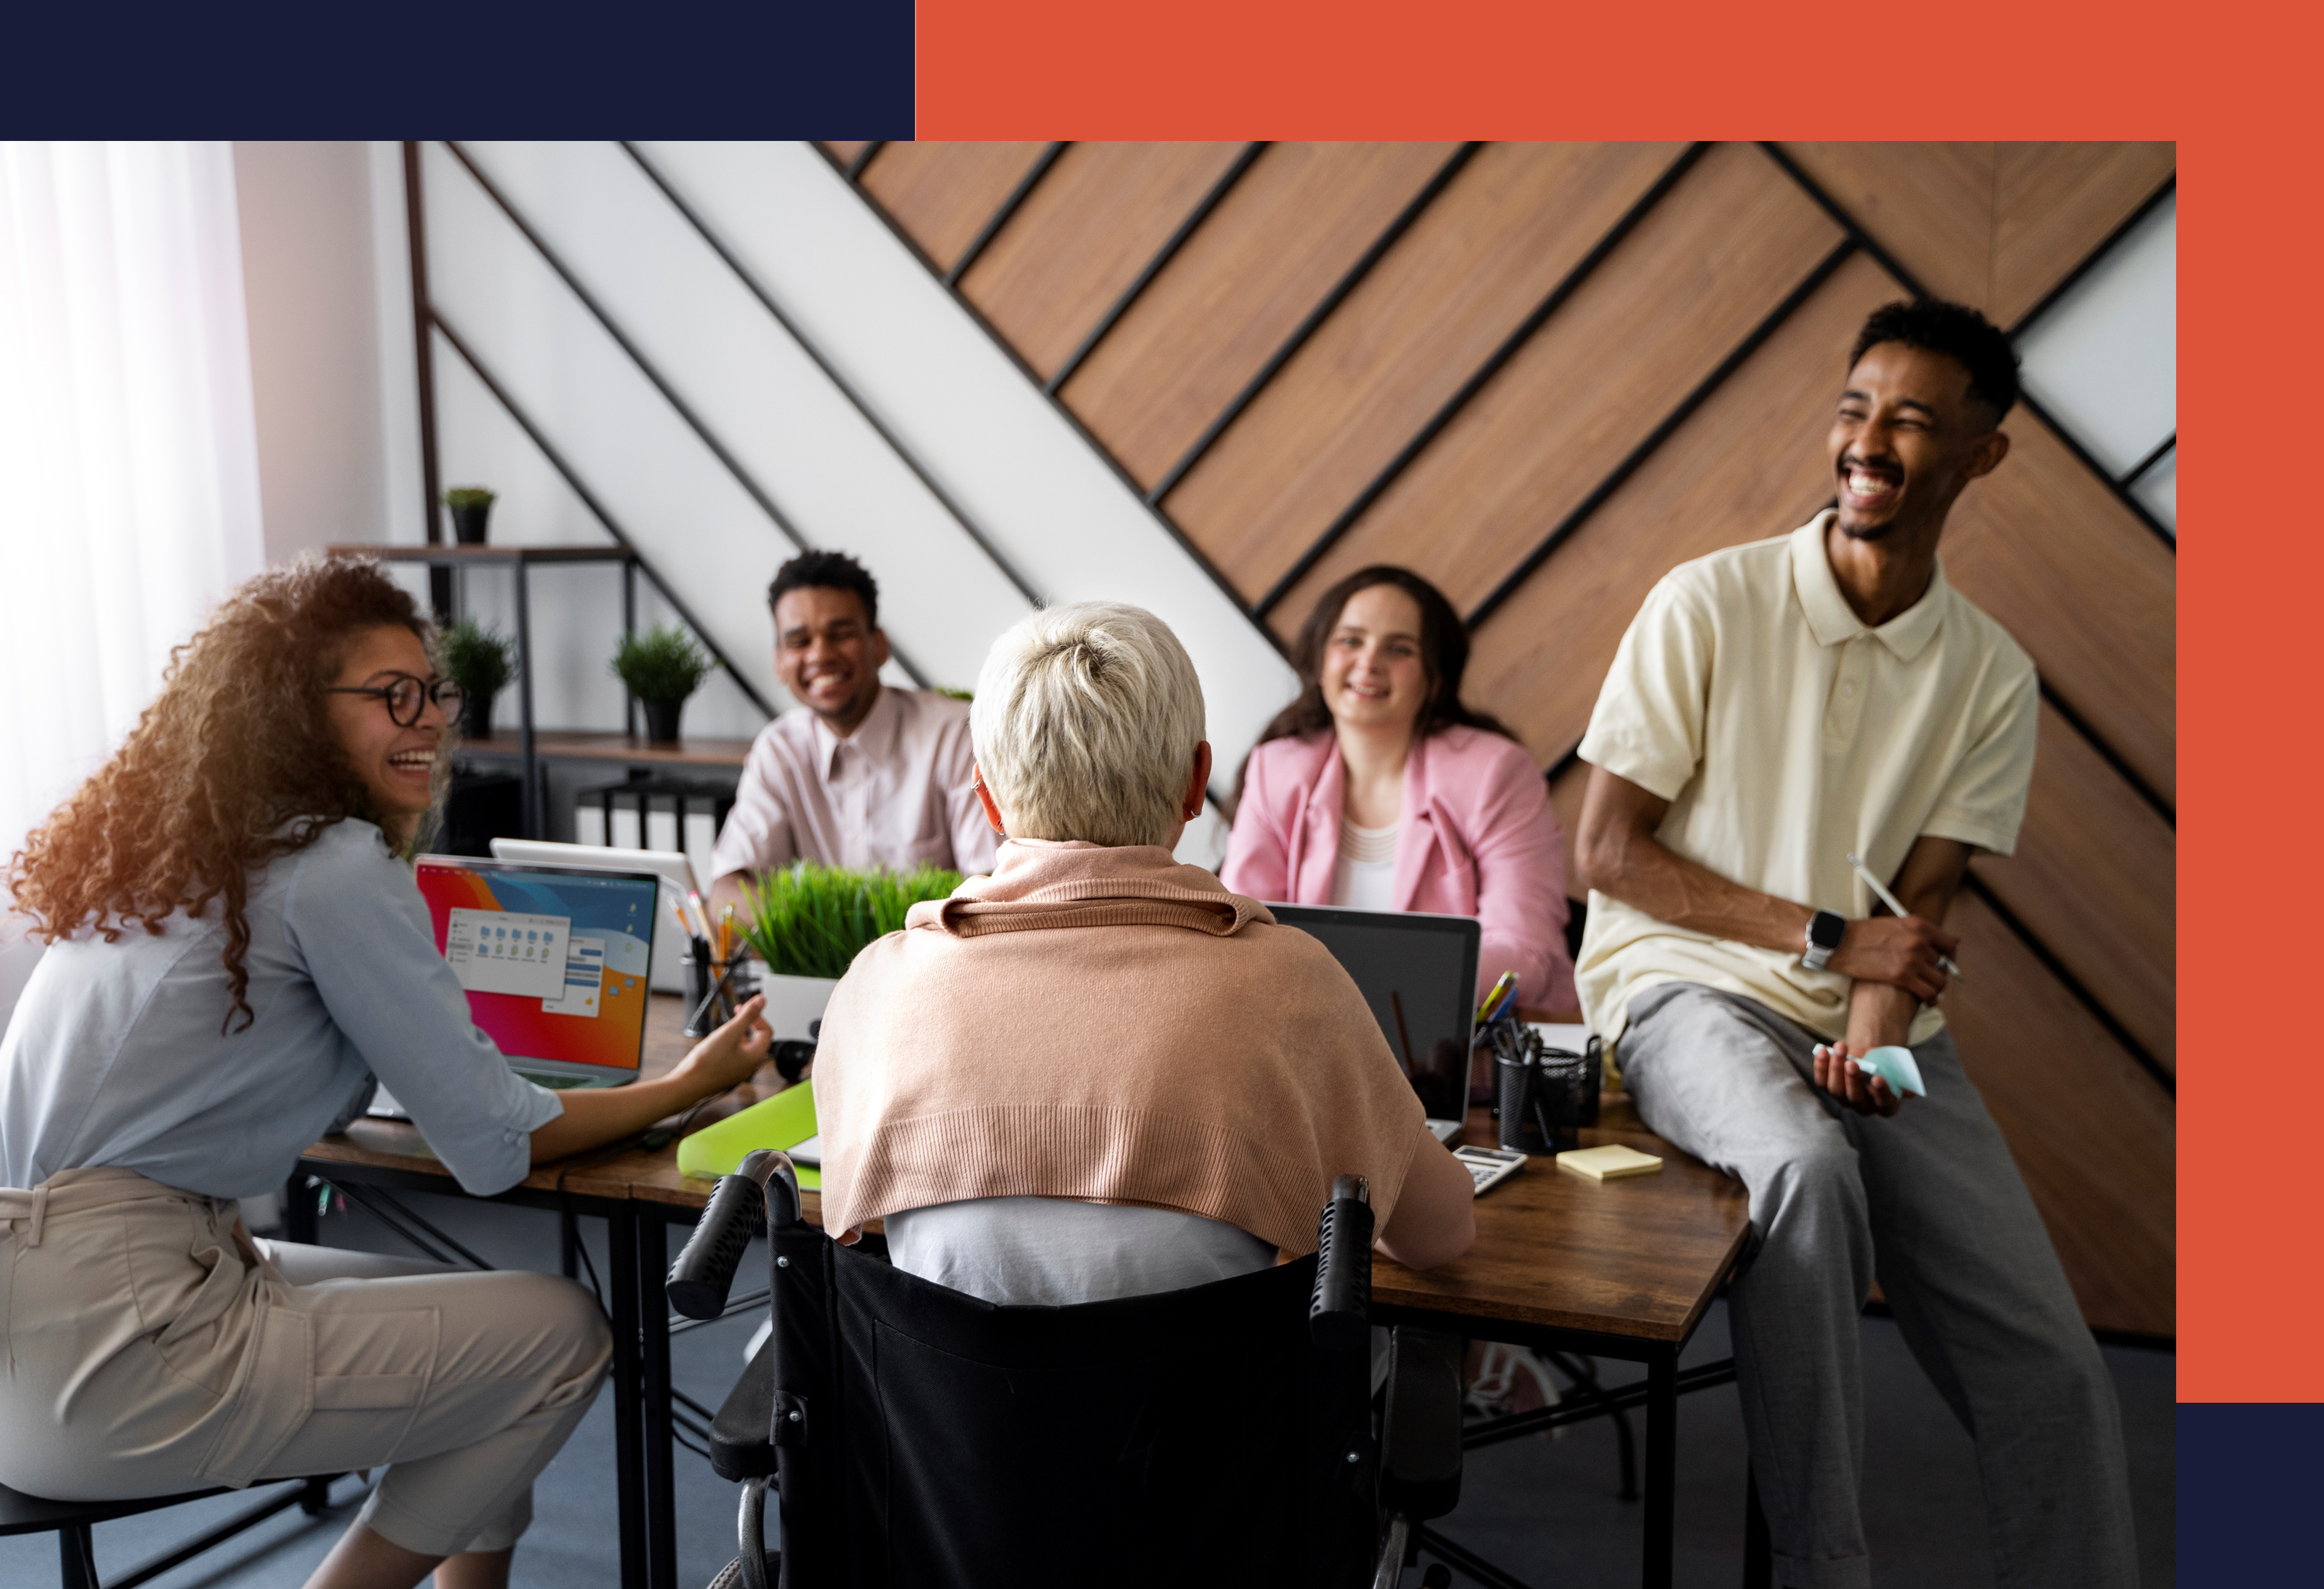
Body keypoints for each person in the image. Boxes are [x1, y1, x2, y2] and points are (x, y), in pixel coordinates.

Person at [0, 557, 774, 1589]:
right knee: (559, 1337)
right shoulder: (331, 869)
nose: (426, 721)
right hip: (124, 1346)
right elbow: (496, 1149)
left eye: (432, 694)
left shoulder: (178, 857)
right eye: (389, 695)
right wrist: (689, 1084)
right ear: (293, 714)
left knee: (476, 1328)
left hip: (39, 1335)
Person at [1571, 301, 2136, 1588]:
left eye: (1911, 419)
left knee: (2050, 1362)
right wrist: (1827, 941)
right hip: (1684, 988)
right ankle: (1828, 1565)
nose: (1867, 440)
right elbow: (1605, 850)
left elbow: (1919, 912)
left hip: (1876, 1021)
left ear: (1981, 456)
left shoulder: (1990, 673)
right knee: (1805, 1173)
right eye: (1854, 406)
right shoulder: (1706, 600)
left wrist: (1873, 1033)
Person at [812, 602, 1476, 1306]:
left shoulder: (876, 989)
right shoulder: (1294, 983)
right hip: (1222, 1417)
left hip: (931, 1416)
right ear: (1197, 782)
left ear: (989, 801)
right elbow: (1442, 1235)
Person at [1222, 566, 1575, 1010]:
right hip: (1308, 1034)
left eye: (1399, 649)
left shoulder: (1494, 772)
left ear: (1435, 676)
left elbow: (1526, 950)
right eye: (1350, 640)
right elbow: (1242, 930)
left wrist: (1390, 989)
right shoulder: (1276, 767)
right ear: (1319, 659)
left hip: (1463, 1045)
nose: (1368, 662)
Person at [709, 551, 996, 919]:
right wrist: (820, 938)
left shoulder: (955, 736)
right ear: (779, 661)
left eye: (841, 634)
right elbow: (726, 893)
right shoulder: (780, 749)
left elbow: (989, 888)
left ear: (879, 645)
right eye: (799, 642)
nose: (820, 655)